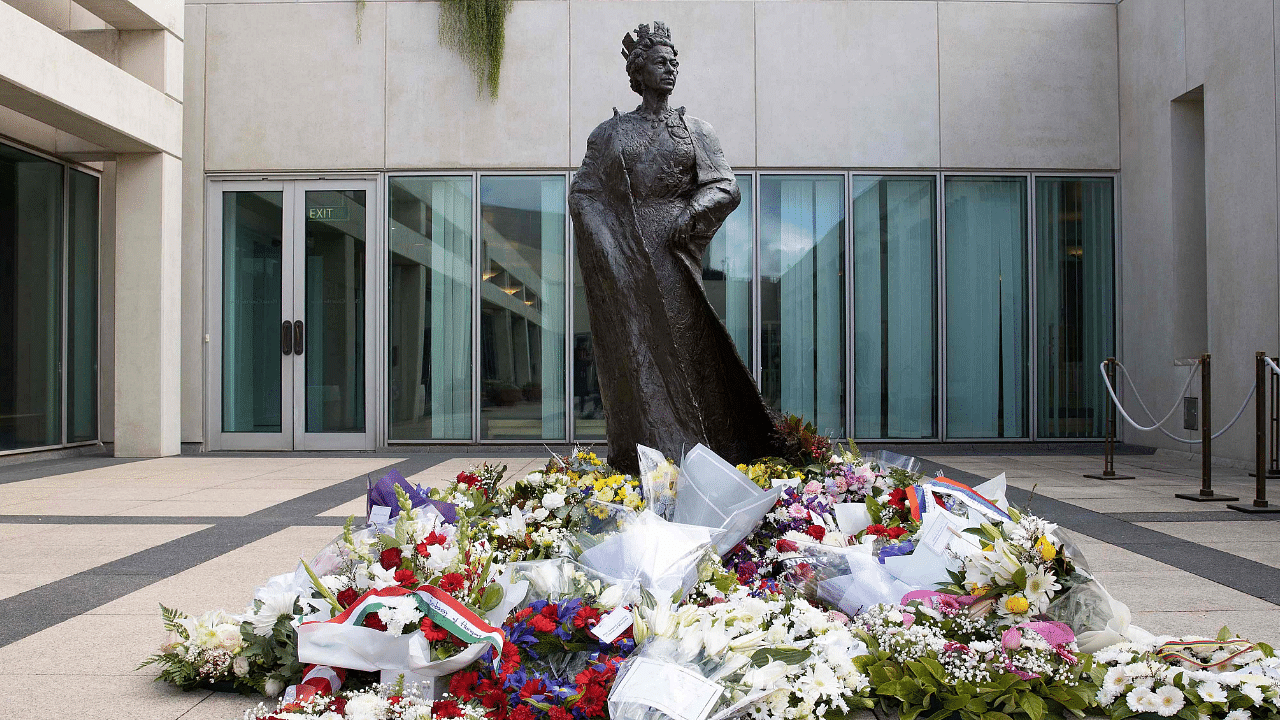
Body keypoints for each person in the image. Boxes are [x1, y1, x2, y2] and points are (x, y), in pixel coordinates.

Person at [568, 21, 782, 474]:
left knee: (690, 351)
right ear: (638, 71)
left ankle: (708, 454)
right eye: (660, 62)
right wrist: (609, 251)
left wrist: (692, 213)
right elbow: (583, 193)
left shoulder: (696, 130)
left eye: (674, 61)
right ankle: (646, 457)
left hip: (675, 256)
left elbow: (726, 185)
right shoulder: (610, 134)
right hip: (628, 258)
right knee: (640, 355)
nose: (671, 68)